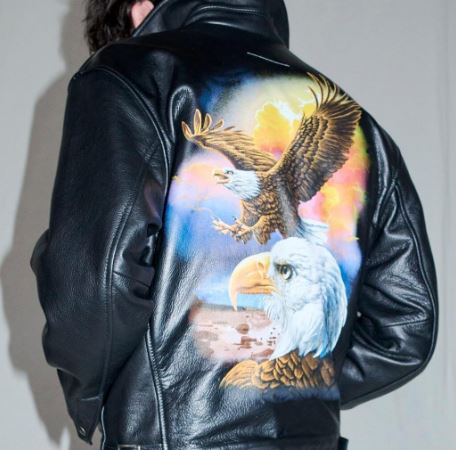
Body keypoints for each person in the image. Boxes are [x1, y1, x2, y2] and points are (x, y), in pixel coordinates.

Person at [29, 1, 439, 449]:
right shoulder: (363, 126)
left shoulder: (130, 73)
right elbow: (408, 326)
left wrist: (98, 400)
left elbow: (97, 285)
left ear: (139, 9)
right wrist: (285, 388)